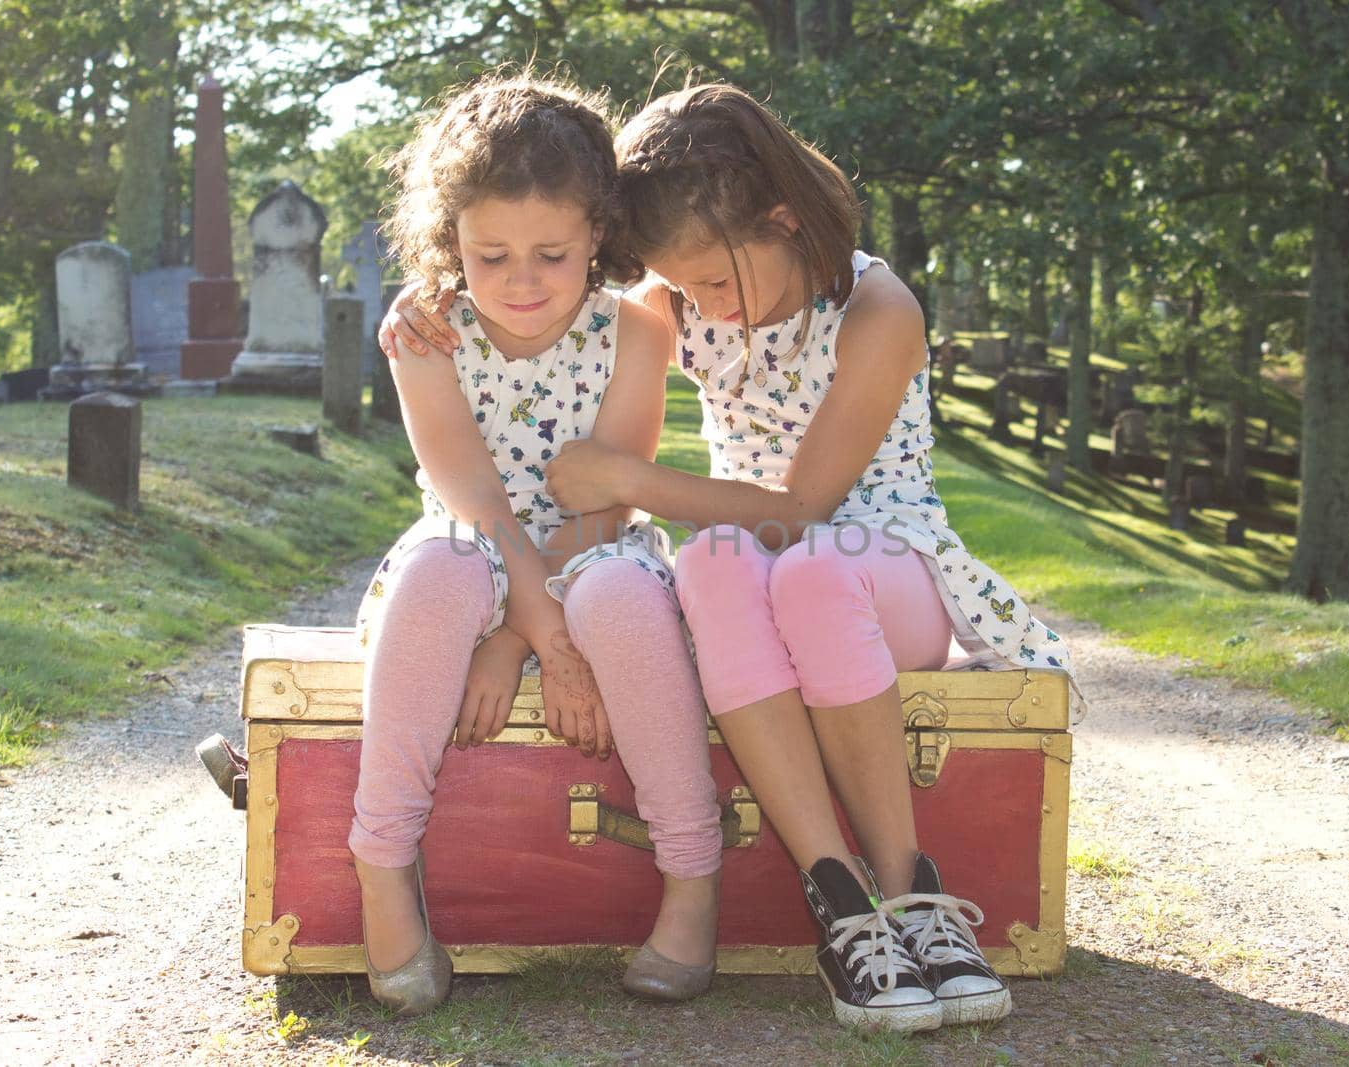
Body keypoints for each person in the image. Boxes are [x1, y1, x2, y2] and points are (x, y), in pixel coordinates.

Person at [384, 82, 1080, 1033]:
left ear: (784, 219)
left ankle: (910, 888)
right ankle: (840, 902)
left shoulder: (879, 310)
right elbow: (544, 298)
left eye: (716, 283)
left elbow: (801, 513)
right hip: (753, 574)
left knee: (808, 567)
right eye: (687, 287)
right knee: (711, 563)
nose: (705, 306)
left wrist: (627, 476)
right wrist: (430, 295)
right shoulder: (674, 295)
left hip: (884, 564)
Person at [352, 71, 723, 1017]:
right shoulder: (428, 331)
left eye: (552, 254)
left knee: (622, 596)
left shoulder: (636, 333)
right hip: (473, 541)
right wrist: (525, 624)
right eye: (491, 254)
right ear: (452, 244)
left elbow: (605, 498)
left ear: (599, 233)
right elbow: (469, 495)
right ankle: (383, 861)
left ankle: (692, 871)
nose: (521, 281)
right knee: (441, 570)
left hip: (593, 547)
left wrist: (524, 640)